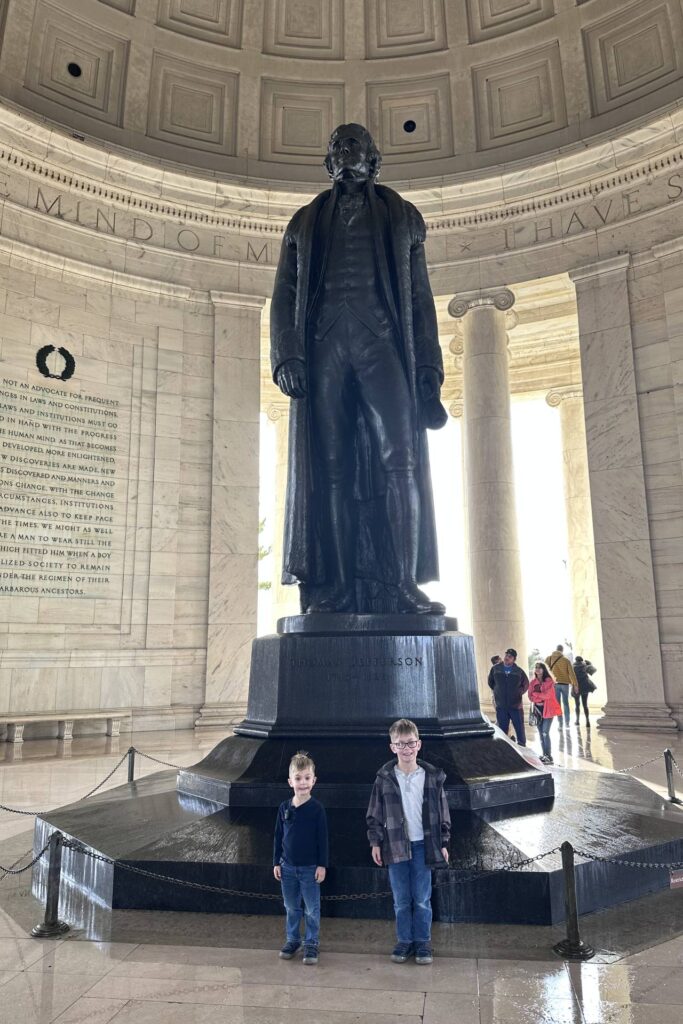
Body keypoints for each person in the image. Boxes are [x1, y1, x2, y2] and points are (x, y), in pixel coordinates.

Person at [270, 123, 448, 615]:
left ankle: (403, 584)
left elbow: (420, 297)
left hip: (381, 344)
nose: (345, 153)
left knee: (401, 460)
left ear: (374, 158)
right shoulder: (303, 222)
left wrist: (429, 368)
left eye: (355, 146)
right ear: (328, 163)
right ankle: (339, 587)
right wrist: (287, 352)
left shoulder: (404, 217)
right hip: (325, 345)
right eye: (337, 147)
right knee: (330, 470)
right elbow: (284, 293)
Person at [366, 718, 450, 965]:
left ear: (419, 744)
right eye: (400, 744)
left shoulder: (432, 777)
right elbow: (375, 813)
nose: (406, 749)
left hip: (424, 845)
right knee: (401, 899)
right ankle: (404, 941)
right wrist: (375, 842)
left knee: (422, 898)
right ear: (392, 747)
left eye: (410, 743)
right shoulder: (384, 778)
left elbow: (443, 812)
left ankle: (423, 942)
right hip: (395, 845)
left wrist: (444, 842)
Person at [273, 751, 328, 965]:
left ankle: (312, 942)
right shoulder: (284, 808)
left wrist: (322, 865)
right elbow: (278, 836)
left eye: (306, 778)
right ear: (290, 781)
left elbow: (322, 840)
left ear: (313, 781)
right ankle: (293, 939)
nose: (302, 783)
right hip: (287, 868)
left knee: (312, 908)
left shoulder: (317, 809)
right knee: (291, 906)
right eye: (298, 778)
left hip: (309, 868)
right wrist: (276, 861)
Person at [488, 648, 529, 746]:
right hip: (501, 706)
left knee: (520, 730)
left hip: (516, 707)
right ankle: (505, 750)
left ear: (514, 659)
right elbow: (491, 682)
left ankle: (522, 748)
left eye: (510, 656)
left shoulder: (519, 671)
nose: (507, 658)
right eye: (506, 655)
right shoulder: (495, 669)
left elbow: (526, 685)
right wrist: (498, 692)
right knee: (502, 731)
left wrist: (517, 693)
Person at [528, 662, 562, 764]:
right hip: (537, 711)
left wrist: (536, 694)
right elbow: (530, 696)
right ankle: (544, 755)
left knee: (545, 732)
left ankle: (549, 756)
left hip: (548, 710)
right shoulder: (533, 682)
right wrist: (537, 695)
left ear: (544, 670)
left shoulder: (549, 681)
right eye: (536, 667)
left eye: (540, 668)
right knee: (540, 733)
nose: (537, 669)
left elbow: (548, 696)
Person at [545, 644, 578, 728]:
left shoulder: (549, 658)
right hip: (565, 684)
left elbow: (545, 671)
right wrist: (575, 685)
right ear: (562, 651)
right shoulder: (566, 660)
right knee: (566, 703)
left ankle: (560, 723)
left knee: (558, 704)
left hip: (555, 684)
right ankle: (567, 723)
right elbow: (572, 673)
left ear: (556, 649)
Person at [572, 655, 595, 728]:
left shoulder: (572, 667)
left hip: (576, 687)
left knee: (577, 705)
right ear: (581, 660)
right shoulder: (585, 665)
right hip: (585, 686)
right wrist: (589, 663)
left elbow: (571, 677)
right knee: (585, 705)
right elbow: (593, 671)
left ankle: (577, 721)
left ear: (576, 660)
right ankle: (587, 721)